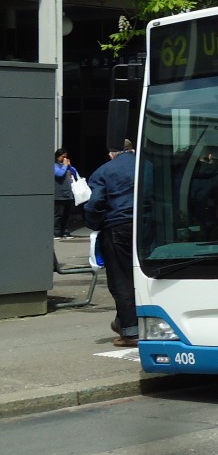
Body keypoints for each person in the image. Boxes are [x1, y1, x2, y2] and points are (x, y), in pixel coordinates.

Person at [84, 141, 138, 347]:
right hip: (148, 226)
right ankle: (134, 322)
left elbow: (95, 203)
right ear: (132, 150)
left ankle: (131, 331)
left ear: (111, 154)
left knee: (121, 279)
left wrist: (94, 224)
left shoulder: (103, 172)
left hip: (118, 226)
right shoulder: (147, 165)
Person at [53, 148, 80, 239]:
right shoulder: (54, 166)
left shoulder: (66, 166)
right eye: (62, 157)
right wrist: (64, 166)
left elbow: (74, 173)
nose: (65, 158)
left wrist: (70, 166)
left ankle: (65, 231)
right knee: (58, 215)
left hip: (68, 194)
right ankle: (56, 232)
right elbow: (59, 174)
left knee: (66, 214)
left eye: (66, 157)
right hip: (59, 194)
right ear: (57, 157)